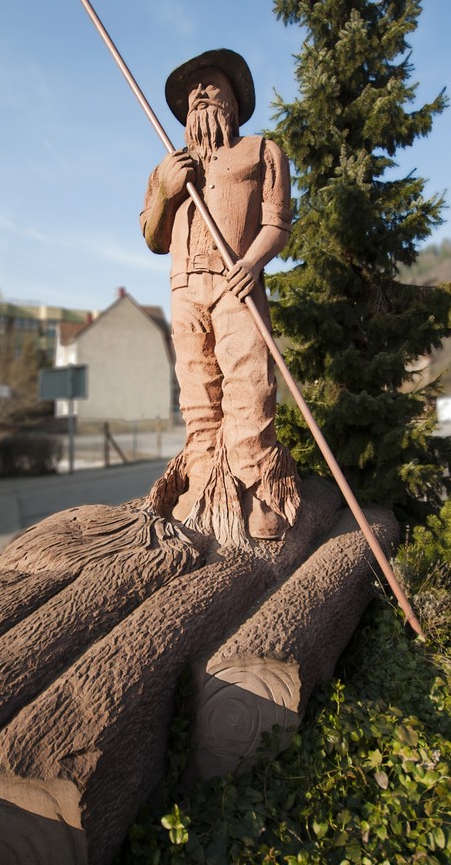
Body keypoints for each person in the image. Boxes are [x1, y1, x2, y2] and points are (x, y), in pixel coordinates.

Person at [141, 49, 300, 542]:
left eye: (211, 85)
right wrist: (168, 192)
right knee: (198, 391)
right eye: (193, 91)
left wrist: (251, 263)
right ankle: (205, 485)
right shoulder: (169, 165)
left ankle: (255, 489)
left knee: (250, 384)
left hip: (236, 281)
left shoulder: (261, 151)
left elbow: (277, 222)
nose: (200, 94)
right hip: (185, 287)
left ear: (233, 98)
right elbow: (153, 237)